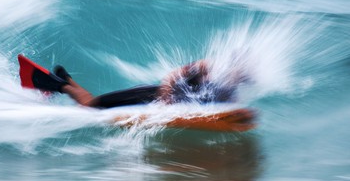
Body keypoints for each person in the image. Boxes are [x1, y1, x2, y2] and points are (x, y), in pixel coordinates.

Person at [28, 58, 248, 109]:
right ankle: (54, 83)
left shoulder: (230, 92)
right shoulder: (206, 68)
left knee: (92, 103)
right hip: (148, 95)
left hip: (153, 104)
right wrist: (166, 97)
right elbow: (172, 76)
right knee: (90, 106)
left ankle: (65, 78)